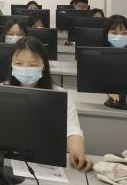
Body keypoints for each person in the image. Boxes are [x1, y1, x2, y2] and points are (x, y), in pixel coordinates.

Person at [6, 37, 92, 171]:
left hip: (45, 161)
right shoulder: (0, 91)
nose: (25, 69)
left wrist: (77, 151)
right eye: (18, 63)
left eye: (32, 65)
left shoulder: (60, 95)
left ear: (43, 65)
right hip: (8, 159)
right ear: (11, 64)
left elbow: (72, 129)